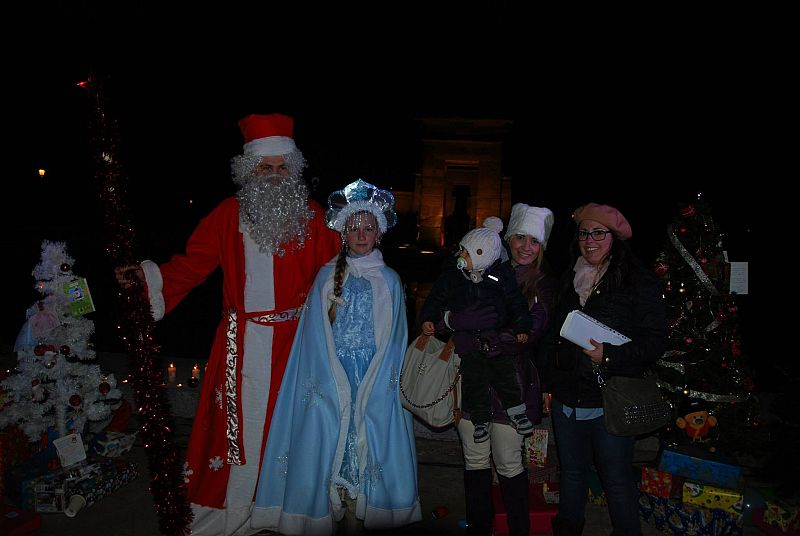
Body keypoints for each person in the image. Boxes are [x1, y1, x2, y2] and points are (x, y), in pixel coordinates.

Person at [115, 113, 341, 536]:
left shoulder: (313, 217)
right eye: (265, 167)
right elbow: (191, 266)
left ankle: (284, 512)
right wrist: (144, 284)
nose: (274, 176)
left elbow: (337, 281)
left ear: (293, 169)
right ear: (249, 170)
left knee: (291, 428)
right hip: (240, 345)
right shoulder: (226, 215)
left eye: (281, 167)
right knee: (231, 434)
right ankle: (227, 514)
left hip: (297, 346)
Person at [251, 179, 421, 535]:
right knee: (330, 431)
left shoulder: (389, 279)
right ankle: (330, 497)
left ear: (379, 232)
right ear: (344, 233)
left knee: (368, 430)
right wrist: (323, 370)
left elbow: (395, 336)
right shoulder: (327, 276)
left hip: (372, 372)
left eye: (368, 228)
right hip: (332, 369)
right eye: (354, 228)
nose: (361, 235)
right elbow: (313, 334)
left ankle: (366, 496)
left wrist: (385, 373)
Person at [538, 202, 667, 536]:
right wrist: (548, 385)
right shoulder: (570, 276)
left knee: (618, 481)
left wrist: (609, 355)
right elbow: (554, 336)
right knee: (571, 473)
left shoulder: (638, 281)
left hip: (609, 399)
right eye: (584, 233)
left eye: (598, 233)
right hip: (567, 398)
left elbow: (654, 342)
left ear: (614, 238)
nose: (589, 240)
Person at [435, 203, 558, 536]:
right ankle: (480, 528)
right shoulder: (475, 270)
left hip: (512, 384)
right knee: (474, 461)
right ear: (508, 240)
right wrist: (454, 321)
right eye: (520, 238)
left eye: (534, 242)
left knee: (508, 462)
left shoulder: (542, 284)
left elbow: (530, 331)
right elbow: (441, 310)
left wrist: (477, 336)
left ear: (541, 247)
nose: (526, 247)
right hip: (472, 381)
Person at [419, 216, 534, 447]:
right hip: (467, 342)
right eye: (462, 250)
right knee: (474, 381)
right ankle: (480, 420)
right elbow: (435, 298)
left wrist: (522, 327)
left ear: (484, 255)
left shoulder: (500, 278)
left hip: (495, 341)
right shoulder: (453, 277)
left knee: (505, 377)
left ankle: (517, 412)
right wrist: (429, 318)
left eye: (468, 253)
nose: (462, 256)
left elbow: (516, 303)